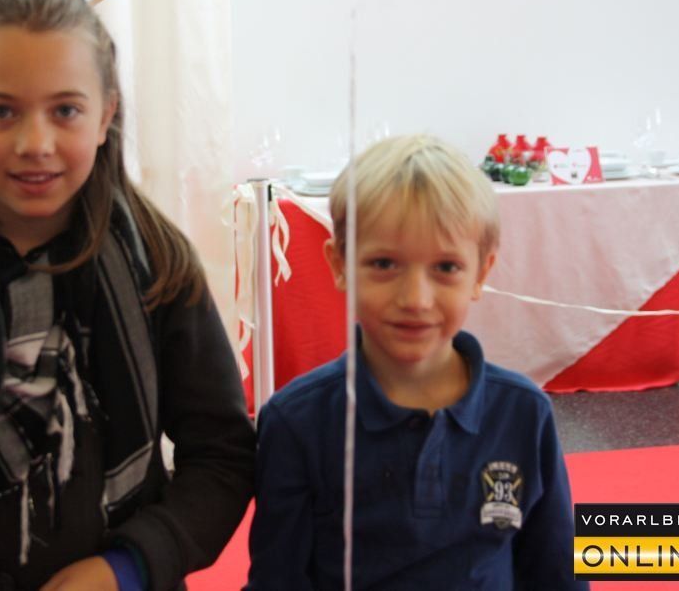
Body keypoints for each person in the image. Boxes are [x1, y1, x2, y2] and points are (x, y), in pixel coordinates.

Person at [0, 0, 255, 591]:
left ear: (106, 114)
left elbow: (222, 456)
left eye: (65, 111)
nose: (35, 143)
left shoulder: (160, 265)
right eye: (1, 111)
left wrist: (125, 568)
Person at [246, 135, 586, 590]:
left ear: (481, 273)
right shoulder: (296, 423)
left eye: (445, 268)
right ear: (340, 264)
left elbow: (557, 573)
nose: (415, 299)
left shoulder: (524, 413)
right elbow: (277, 581)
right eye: (384, 264)